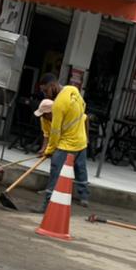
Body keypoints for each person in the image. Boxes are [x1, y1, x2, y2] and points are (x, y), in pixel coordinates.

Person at [37, 72, 89, 210]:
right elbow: (83, 108)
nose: (46, 95)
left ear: (53, 85)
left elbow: (54, 133)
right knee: (81, 169)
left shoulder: (58, 105)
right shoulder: (73, 90)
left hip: (66, 145)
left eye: (46, 90)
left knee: (55, 172)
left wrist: (49, 151)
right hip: (81, 142)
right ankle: (84, 197)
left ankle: (47, 205)